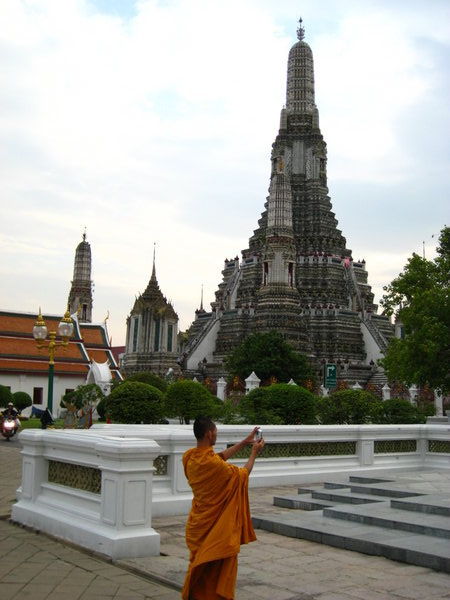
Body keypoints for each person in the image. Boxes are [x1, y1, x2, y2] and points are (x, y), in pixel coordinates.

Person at [182, 416, 265, 600]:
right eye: (216, 433)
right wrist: (254, 453)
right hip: (214, 527)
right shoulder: (213, 464)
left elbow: (219, 457)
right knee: (213, 564)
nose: (216, 435)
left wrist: (245, 441)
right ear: (210, 433)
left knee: (200, 565)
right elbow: (243, 474)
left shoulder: (189, 457)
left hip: (198, 523)